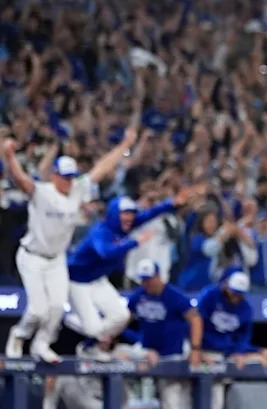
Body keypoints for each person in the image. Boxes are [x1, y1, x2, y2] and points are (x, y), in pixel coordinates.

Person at [3, 129, 137, 362]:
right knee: (37, 310)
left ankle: (41, 345)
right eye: (64, 177)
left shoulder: (77, 189)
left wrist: (124, 145)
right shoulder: (42, 192)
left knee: (56, 308)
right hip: (32, 256)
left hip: (56, 259)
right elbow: (21, 180)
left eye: (71, 177)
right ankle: (19, 334)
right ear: (54, 176)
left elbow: (102, 168)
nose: (68, 181)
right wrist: (10, 157)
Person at [65, 185, 200, 359]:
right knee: (94, 329)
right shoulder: (101, 231)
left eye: (131, 213)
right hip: (77, 280)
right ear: (114, 214)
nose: (129, 217)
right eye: (124, 213)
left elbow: (150, 213)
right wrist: (134, 243)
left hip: (97, 279)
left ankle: (91, 347)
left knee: (121, 316)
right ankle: (73, 321)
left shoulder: (126, 225)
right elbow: (106, 251)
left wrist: (172, 204)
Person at [126, 259, 203, 409]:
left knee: (171, 402)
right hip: (147, 352)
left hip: (172, 354)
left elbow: (195, 318)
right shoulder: (139, 296)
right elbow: (124, 319)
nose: (146, 283)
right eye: (143, 280)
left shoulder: (174, 296)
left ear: (158, 277)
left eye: (149, 279)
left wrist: (195, 348)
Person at [197, 269, 267, 409]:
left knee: (216, 400)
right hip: (203, 351)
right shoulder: (210, 296)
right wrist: (197, 350)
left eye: (239, 294)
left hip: (225, 354)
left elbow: (243, 338)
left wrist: (239, 352)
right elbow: (195, 324)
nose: (235, 297)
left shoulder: (245, 308)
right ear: (226, 286)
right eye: (233, 292)